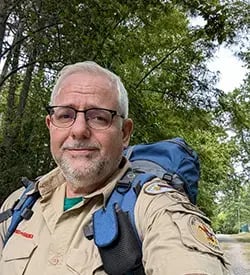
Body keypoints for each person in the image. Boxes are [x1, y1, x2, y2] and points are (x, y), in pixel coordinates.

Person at [0, 61, 231, 274]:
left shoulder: (154, 208)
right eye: (65, 115)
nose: (79, 130)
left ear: (125, 133)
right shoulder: (18, 205)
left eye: (99, 117)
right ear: (50, 125)